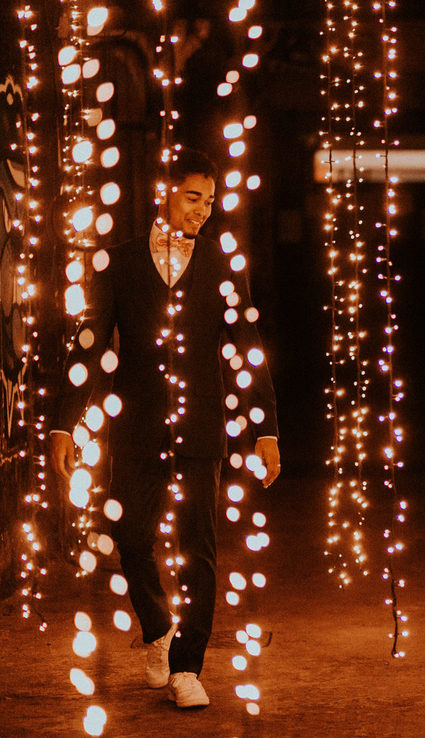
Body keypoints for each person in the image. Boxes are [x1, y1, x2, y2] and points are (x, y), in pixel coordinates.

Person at [50, 148, 280, 708]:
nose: (203, 210)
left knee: (199, 549)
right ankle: (157, 629)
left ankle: (188, 667)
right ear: (165, 192)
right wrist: (64, 425)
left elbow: (247, 349)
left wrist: (265, 428)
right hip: (138, 426)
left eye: (210, 199)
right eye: (192, 196)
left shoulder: (225, 267)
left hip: (203, 421)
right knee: (130, 538)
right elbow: (90, 344)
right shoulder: (118, 262)